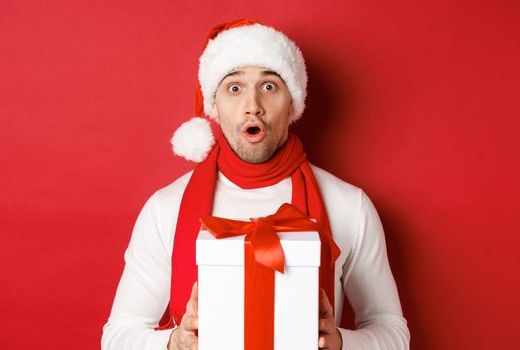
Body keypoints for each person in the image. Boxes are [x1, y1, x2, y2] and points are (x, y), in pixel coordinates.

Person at [101, 18, 410, 350]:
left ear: (292, 103)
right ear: (213, 107)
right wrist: (175, 343)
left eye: (269, 86)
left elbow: (393, 334)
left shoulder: (349, 206)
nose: (253, 107)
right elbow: (117, 337)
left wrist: (338, 342)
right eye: (234, 88)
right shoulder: (166, 209)